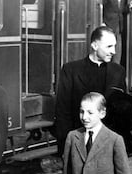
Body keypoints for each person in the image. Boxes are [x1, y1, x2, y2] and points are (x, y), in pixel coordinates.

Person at [54, 26, 126, 156]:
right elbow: (62, 111)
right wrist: (65, 146)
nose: (114, 51)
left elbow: (122, 111)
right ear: (94, 45)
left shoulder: (118, 72)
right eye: (109, 47)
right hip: (78, 144)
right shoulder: (70, 70)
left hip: (107, 146)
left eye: (114, 46)